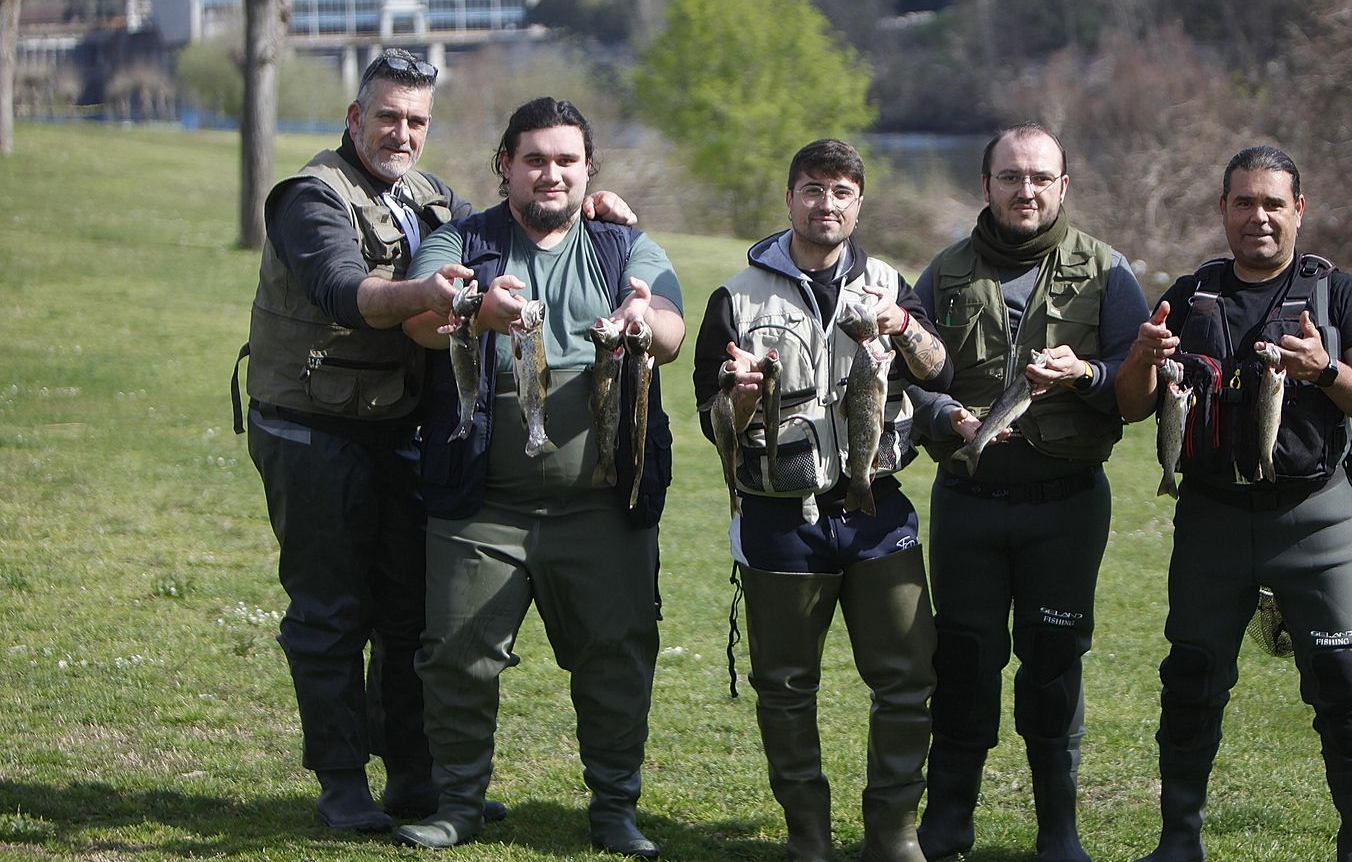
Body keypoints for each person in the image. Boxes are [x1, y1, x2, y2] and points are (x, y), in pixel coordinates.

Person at [237, 48, 631, 833]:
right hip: (314, 431)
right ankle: (343, 784)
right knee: (329, 613)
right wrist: (428, 293)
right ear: (354, 118)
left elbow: (500, 222)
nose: (403, 132)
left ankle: (417, 783)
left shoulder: (424, 196)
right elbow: (345, 293)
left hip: (401, 433)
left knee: (410, 614)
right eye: (388, 116)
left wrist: (585, 205)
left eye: (417, 119)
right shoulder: (309, 198)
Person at [391, 97, 682, 857]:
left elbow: (674, 330)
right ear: (504, 167)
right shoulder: (461, 239)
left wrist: (640, 322)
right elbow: (422, 318)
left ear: (589, 171)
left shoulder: (624, 247)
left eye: (566, 161)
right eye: (534, 160)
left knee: (619, 657)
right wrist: (470, 311)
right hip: (479, 506)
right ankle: (457, 804)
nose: (550, 174)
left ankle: (615, 808)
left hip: (600, 508)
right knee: (455, 656)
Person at [1114, 145, 1352, 862]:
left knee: (1340, 681)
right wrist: (1146, 357)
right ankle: (1178, 842)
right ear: (1223, 210)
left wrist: (1325, 369)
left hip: (1313, 520)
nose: (1259, 217)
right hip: (1209, 518)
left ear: (1299, 209)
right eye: (1244, 202)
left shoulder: (1341, 295)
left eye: (1274, 203)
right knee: (1191, 679)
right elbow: (1130, 406)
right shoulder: (1187, 292)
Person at [691, 139, 952, 862]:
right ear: (788, 198)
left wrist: (904, 327)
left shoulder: (892, 283)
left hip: (877, 510)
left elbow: (939, 366)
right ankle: (809, 838)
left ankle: (894, 836)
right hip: (779, 515)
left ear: (859, 203)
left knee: (906, 679)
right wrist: (737, 398)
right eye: (812, 189)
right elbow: (706, 416)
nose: (826, 204)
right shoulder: (735, 296)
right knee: (783, 686)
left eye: (841, 192)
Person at [906, 123, 1147, 862]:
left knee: (1053, 661)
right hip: (968, 506)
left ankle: (1058, 830)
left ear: (1064, 187)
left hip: (1067, 506)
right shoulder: (944, 273)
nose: (1027, 190)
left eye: (1042, 177)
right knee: (964, 658)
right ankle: (949, 816)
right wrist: (944, 413)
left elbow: (1136, 393)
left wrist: (1087, 374)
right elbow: (904, 384)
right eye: (1011, 177)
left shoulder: (1108, 274)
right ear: (987, 186)